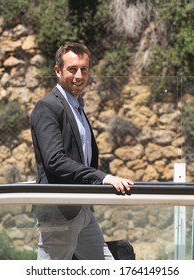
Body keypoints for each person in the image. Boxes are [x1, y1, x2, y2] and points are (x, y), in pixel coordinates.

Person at [30, 41, 133, 260]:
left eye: (83, 69)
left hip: (82, 208)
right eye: (72, 69)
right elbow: (55, 161)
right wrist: (102, 177)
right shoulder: (48, 107)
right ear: (58, 71)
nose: (79, 76)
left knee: (106, 267)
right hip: (60, 212)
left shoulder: (77, 107)